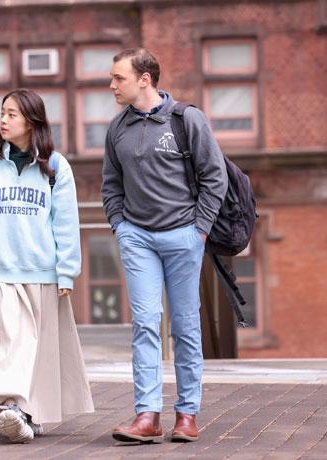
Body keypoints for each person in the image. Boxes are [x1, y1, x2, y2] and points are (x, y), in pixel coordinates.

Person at [0, 88, 94, 444]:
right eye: (2, 112)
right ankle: (12, 407)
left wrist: (67, 271)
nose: (3, 120)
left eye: (12, 114)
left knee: (36, 353)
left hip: (41, 274)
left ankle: (25, 413)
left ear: (31, 121)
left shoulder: (55, 167)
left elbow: (66, 223)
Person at [102, 48, 228, 443]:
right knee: (144, 323)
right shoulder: (116, 128)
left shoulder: (186, 119)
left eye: (118, 78)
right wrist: (120, 225)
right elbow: (110, 184)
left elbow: (215, 176)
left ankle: (187, 414)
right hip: (137, 237)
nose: (111, 85)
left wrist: (199, 230)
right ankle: (147, 415)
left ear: (145, 79)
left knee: (186, 328)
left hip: (183, 236)